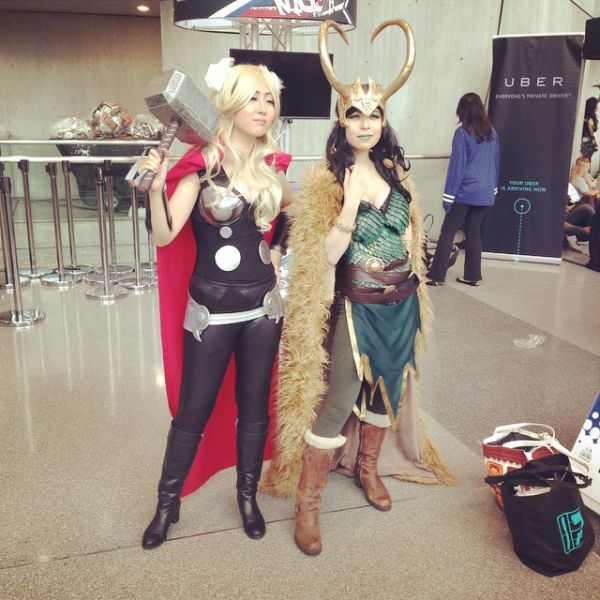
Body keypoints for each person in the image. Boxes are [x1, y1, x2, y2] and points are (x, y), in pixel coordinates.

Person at [261, 19, 454, 557]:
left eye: (374, 114)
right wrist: (347, 207)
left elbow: (411, 236)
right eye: (355, 113)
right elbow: (323, 256)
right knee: (339, 398)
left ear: (384, 121)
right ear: (341, 119)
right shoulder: (325, 180)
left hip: (402, 303)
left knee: (385, 393)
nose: (365, 123)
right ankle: (308, 503)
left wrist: (409, 245)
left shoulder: (396, 173)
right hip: (356, 308)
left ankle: (368, 469)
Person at [140, 60, 292, 549]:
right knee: (193, 409)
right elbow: (166, 234)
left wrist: (276, 251)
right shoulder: (203, 162)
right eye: (252, 98)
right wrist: (156, 188)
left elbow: (290, 210)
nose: (263, 108)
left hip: (263, 308)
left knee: (254, 406)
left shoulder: (272, 165)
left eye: (269, 99)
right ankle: (167, 504)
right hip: (211, 310)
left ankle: (247, 496)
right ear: (229, 102)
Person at [426, 93, 500, 287]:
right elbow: (496, 162)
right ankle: (472, 276)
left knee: (447, 232)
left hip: (465, 192)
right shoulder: (492, 132)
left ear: (462, 110)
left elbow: (456, 167)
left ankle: (436, 276)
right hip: (485, 192)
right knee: (473, 231)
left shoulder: (462, 133)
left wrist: (448, 197)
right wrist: (493, 189)